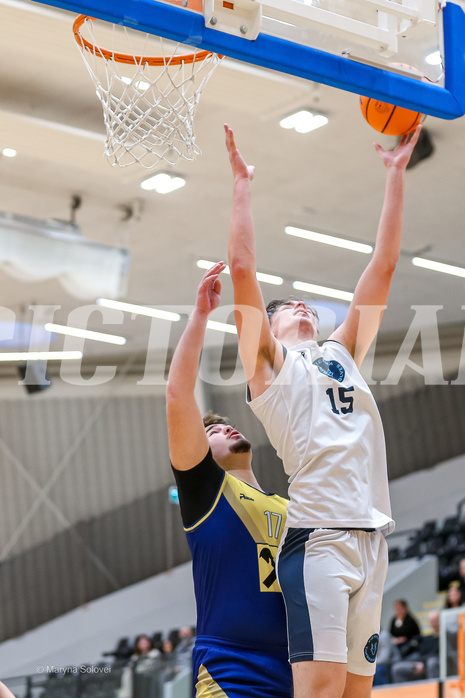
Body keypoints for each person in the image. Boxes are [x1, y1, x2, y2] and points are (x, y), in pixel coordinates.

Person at [224, 122, 421, 698]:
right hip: (320, 541)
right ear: (275, 326)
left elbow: (383, 266)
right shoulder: (271, 368)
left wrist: (394, 176)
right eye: (288, 308)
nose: (301, 306)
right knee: (320, 692)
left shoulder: (343, 352)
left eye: (306, 304)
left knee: (358, 695)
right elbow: (242, 272)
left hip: (373, 540)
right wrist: (242, 187)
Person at [166, 262, 292, 698]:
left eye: (225, 425)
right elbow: (178, 395)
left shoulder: (294, 507)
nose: (226, 428)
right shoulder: (206, 492)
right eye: (212, 431)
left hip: (300, 667)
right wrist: (200, 316)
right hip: (231, 670)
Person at [390, 610, 440, 682]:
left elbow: (438, 655)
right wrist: (417, 663)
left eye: (436, 620)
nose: (434, 623)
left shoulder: (445, 638)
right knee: (397, 668)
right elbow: (421, 654)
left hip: (432, 664)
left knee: (432, 663)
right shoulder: (425, 639)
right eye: (432, 621)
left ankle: (434, 690)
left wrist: (424, 664)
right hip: (421, 663)